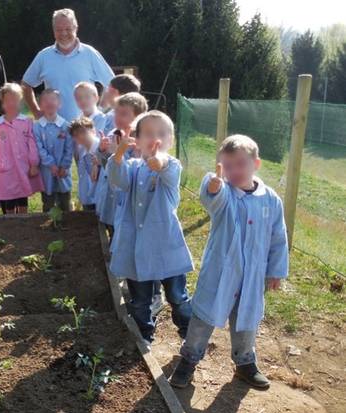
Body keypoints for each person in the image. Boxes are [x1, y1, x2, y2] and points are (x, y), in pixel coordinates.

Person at [169, 135, 289, 390]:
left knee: (246, 319)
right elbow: (212, 197)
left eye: (240, 164)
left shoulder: (271, 201)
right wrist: (212, 185)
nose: (234, 171)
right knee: (203, 318)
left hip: (252, 277)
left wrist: (276, 270)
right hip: (220, 273)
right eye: (228, 166)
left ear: (256, 163)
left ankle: (245, 363)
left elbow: (279, 237)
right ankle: (188, 360)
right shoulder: (224, 194)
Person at [107, 111, 193, 344]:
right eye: (148, 133)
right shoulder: (133, 166)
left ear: (171, 140)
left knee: (177, 295)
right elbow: (117, 179)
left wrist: (159, 161)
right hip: (137, 248)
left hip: (166, 245)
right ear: (137, 139)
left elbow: (165, 167)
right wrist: (119, 153)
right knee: (140, 298)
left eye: (162, 134)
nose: (155, 138)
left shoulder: (171, 166)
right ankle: (143, 335)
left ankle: (190, 332)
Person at [21, 8, 114, 122]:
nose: (64, 33)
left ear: (76, 28)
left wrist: (99, 111)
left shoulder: (89, 53)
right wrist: (36, 112)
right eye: (59, 29)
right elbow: (26, 84)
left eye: (68, 29)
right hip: (53, 129)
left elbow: (112, 84)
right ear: (53, 30)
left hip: (85, 130)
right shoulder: (44, 56)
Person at [95, 92, 147, 238]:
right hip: (109, 196)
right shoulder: (112, 134)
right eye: (116, 112)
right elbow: (104, 164)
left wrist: (117, 153)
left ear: (139, 117)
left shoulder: (138, 142)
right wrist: (102, 150)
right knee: (111, 227)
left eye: (123, 114)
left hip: (124, 199)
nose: (117, 117)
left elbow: (131, 171)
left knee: (123, 231)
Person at [0, 83, 44, 214]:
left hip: (23, 166)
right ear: (2, 103)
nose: (11, 103)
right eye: (7, 100)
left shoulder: (27, 122)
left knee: (22, 194)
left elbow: (32, 144)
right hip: (5, 169)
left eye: (14, 99)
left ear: (21, 101)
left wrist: (34, 164)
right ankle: (10, 221)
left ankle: (23, 220)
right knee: (8, 196)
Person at [33, 89, 73, 212]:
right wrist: (51, 164)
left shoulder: (66, 126)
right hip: (46, 171)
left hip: (63, 171)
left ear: (59, 104)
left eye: (53, 99)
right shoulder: (37, 127)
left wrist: (64, 166)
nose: (49, 103)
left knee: (65, 201)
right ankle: (48, 225)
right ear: (40, 105)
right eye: (45, 100)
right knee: (48, 202)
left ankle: (67, 225)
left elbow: (69, 148)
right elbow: (39, 148)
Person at [69, 117, 99, 211]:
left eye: (83, 132)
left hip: (98, 200)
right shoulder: (81, 150)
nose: (80, 136)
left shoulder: (101, 149)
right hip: (87, 198)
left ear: (93, 130)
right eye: (76, 135)